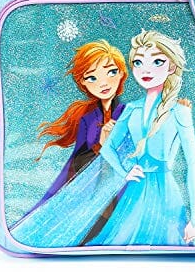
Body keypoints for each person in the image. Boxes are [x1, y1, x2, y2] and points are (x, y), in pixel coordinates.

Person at [87, 29, 195, 246]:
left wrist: (194, 219)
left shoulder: (179, 111)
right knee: (119, 242)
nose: (145, 70)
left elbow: (193, 164)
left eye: (157, 62)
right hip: (136, 190)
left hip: (166, 192)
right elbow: (107, 148)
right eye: (138, 63)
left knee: (169, 244)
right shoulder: (131, 109)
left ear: (172, 67)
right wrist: (125, 172)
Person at [13, 39, 128, 241]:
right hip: (91, 185)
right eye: (92, 77)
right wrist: (100, 146)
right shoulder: (87, 117)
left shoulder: (128, 113)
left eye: (111, 72)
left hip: (124, 182)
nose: (103, 83)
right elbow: (78, 157)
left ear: (121, 73)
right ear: (83, 82)